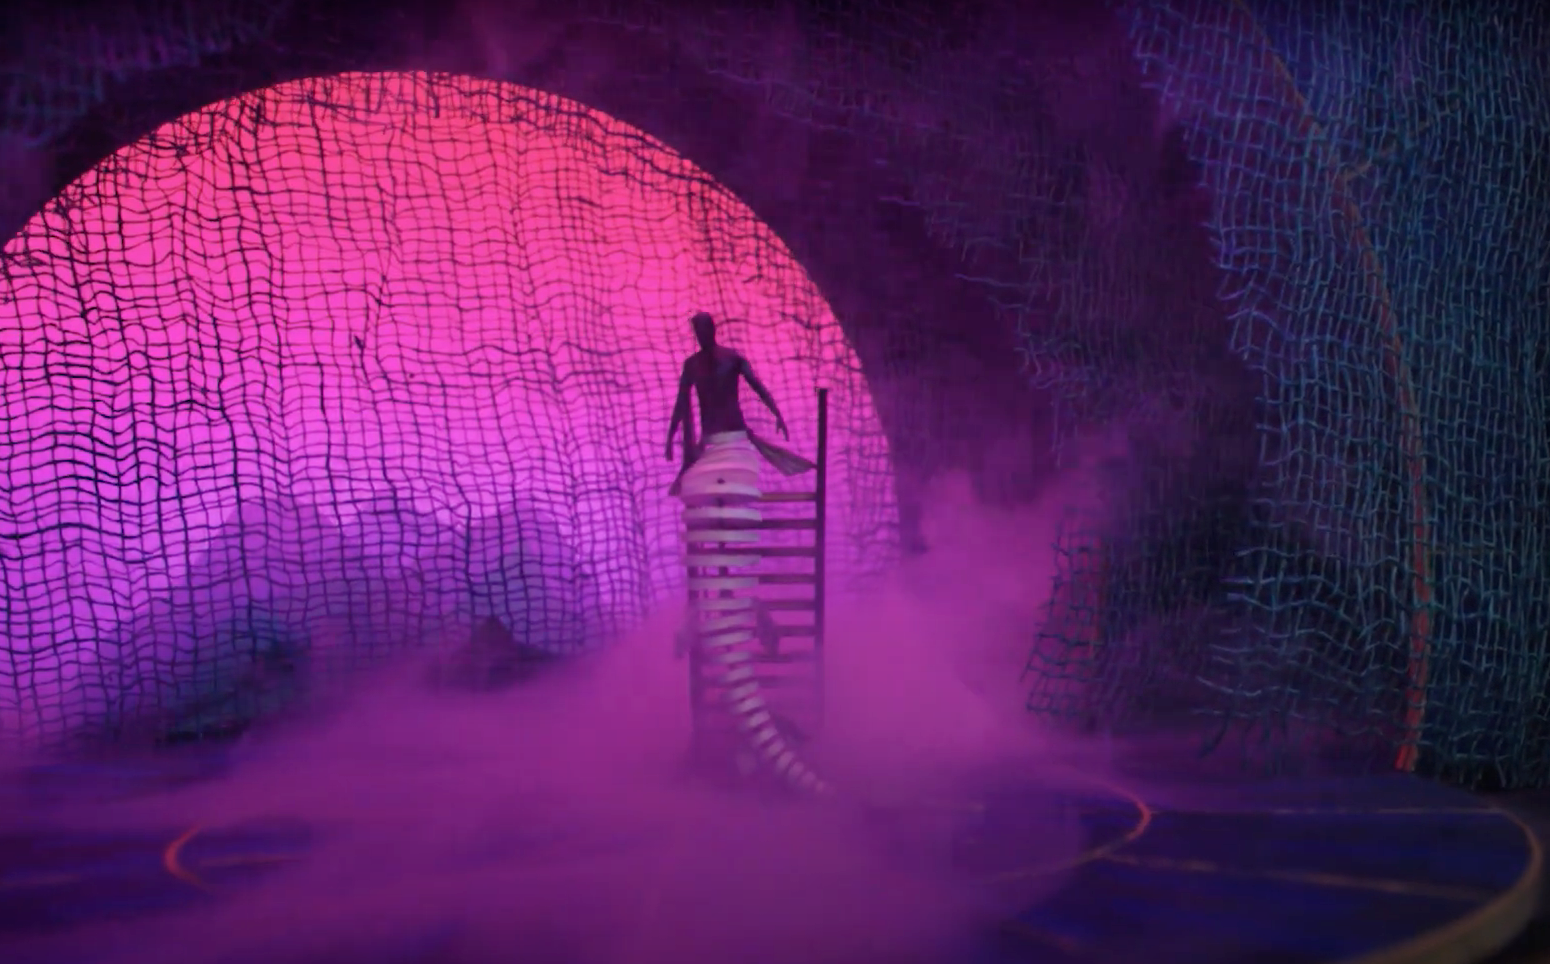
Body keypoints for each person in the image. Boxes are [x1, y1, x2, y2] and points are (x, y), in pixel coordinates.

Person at [664, 312, 814, 494]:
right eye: (697, 332)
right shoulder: (695, 364)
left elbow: (757, 386)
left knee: (726, 485)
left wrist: (777, 414)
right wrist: (670, 438)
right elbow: (681, 403)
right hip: (713, 437)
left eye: (702, 331)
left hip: (734, 434)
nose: (700, 336)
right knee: (710, 487)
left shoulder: (730, 359)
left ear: (712, 330)